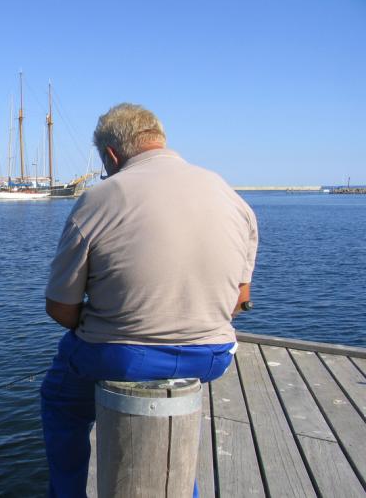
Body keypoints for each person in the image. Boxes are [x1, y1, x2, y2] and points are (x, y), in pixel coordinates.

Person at [41, 103, 258, 497]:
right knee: (168, 426)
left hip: (120, 355)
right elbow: (239, 300)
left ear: (111, 155)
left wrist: (108, 317)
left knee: (60, 401)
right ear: (158, 139)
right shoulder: (229, 194)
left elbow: (60, 309)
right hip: (211, 355)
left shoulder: (100, 198)